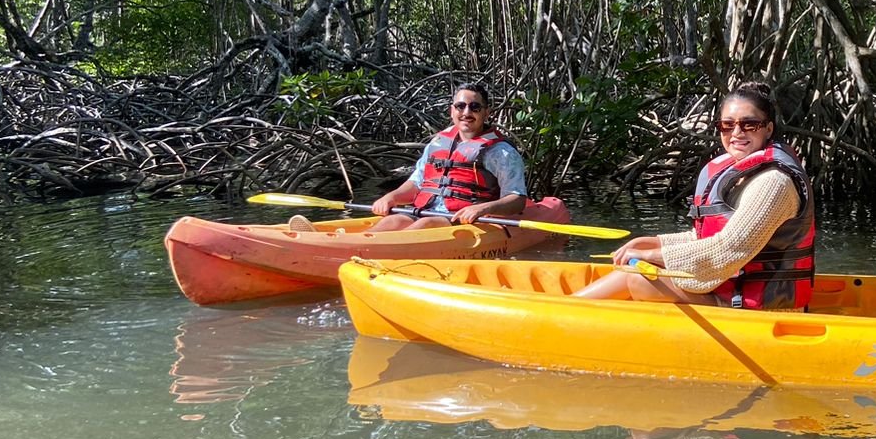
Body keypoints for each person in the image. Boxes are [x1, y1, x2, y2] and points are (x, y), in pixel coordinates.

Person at [576, 81, 815, 307]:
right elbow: (708, 236)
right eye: (727, 125)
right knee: (641, 268)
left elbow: (727, 249)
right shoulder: (741, 174)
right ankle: (574, 305)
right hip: (732, 289)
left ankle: (571, 309)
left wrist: (651, 255)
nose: (737, 133)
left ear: (768, 129)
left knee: (640, 279)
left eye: (749, 124)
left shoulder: (774, 183)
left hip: (762, 308)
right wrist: (654, 242)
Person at [292, 82, 528, 233]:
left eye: (475, 107)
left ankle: (346, 249)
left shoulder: (501, 152)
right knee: (391, 222)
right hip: (424, 209)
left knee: (423, 226)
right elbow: (416, 183)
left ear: (486, 112)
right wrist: (392, 197)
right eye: (461, 106)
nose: (467, 113)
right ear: (452, 110)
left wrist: (483, 209)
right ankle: (347, 244)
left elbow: (516, 199)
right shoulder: (438, 143)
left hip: (460, 218)